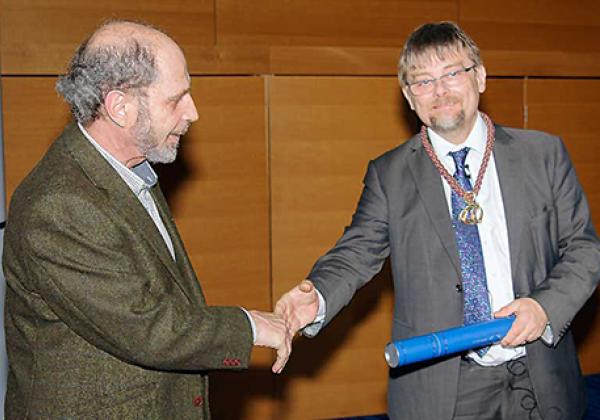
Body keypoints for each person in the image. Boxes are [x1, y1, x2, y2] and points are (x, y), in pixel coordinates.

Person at [276, 21, 600, 420]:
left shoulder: (543, 155)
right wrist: (319, 296)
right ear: (409, 97)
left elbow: (585, 249)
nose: (440, 91)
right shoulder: (390, 175)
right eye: (423, 81)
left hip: (542, 373)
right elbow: (357, 252)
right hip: (443, 389)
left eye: (452, 73)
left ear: (479, 77)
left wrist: (543, 307)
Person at [3, 20, 291, 419]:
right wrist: (252, 326)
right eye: (176, 99)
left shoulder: (129, 168)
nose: (193, 112)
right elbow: (149, 328)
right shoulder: (59, 205)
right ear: (120, 106)